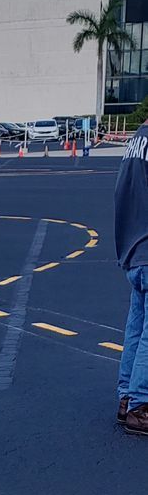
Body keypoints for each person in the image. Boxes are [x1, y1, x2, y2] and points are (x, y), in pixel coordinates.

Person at [115, 118, 148, 433]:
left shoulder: (135, 142)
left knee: (136, 331)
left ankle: (126, 398)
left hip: (135, 250)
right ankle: (141, 405)